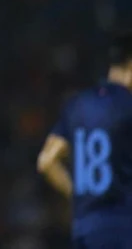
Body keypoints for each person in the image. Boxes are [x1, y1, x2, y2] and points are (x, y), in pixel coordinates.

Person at [38, 30, 132, 248]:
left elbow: (46, 161)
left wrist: (78, 195)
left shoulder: (78, 105)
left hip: (85, 227)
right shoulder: (127, 106)